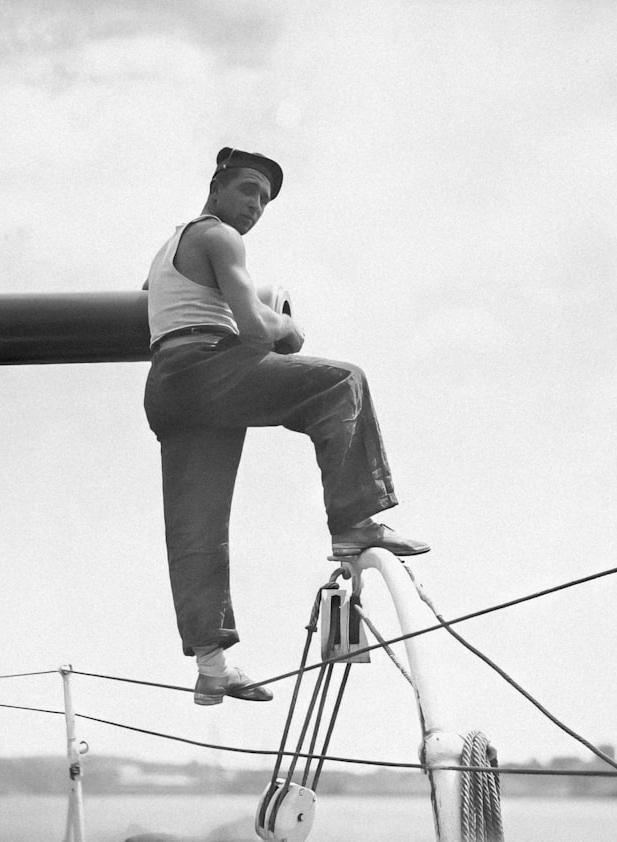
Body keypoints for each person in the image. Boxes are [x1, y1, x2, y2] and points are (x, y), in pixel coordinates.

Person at [142, 147, 429, 706]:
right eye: (248, 190)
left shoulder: (166, 250)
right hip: (207, 368)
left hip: (168, 388)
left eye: (264, 200)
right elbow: (253, 329)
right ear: (217, 187)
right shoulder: (219, 237)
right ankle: (355, 521)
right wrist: (286, 326)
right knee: (341, 381)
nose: (254, 207)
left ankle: (212, 667)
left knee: (196, 529)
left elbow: (159, 307)